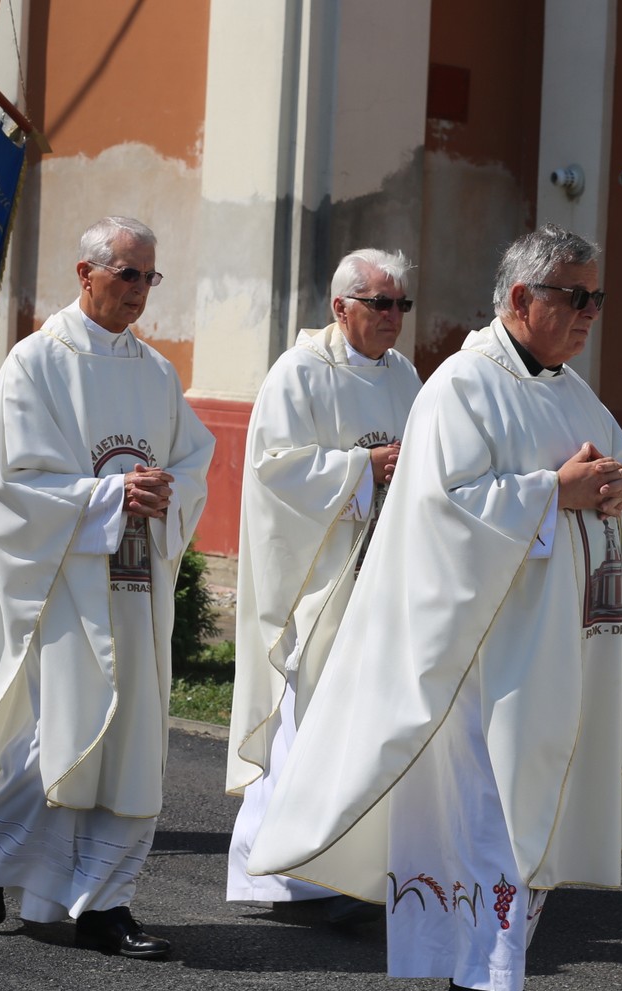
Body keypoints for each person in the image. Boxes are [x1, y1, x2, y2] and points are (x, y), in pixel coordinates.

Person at [248, 224, 622, 991]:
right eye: (575, 297)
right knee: (492, 828)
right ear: (520, 299)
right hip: (484, 662)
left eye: (595, 298)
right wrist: (557, 491)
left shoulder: (571, 391)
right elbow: (444, 511)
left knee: (526, 824)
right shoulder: (462, 387)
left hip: (556, 655)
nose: (590, 314)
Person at [0, 217, 214, 960]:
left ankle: (105, 903)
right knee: (63, 736)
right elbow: (10, 486)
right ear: (86, 273)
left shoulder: (156, 371)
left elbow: (195, 455)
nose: (140, 291)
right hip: (61, 582)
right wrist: (110, 496)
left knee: (130, 739)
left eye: (149, 277)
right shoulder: (36, 363)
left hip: (134, 582)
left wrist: (170, 492)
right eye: (127, 274)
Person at [226, 248, 422, 922]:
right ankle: (281, 873)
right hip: (317, 581)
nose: (394, 317)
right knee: (307, 725)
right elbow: (275, 472)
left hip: (380, 578)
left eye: (401, 304)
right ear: (341, 308)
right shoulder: (299, 373)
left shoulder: (405, 377)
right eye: (380, 303)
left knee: (364, 727)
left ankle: (349, 869)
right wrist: (364, 466)